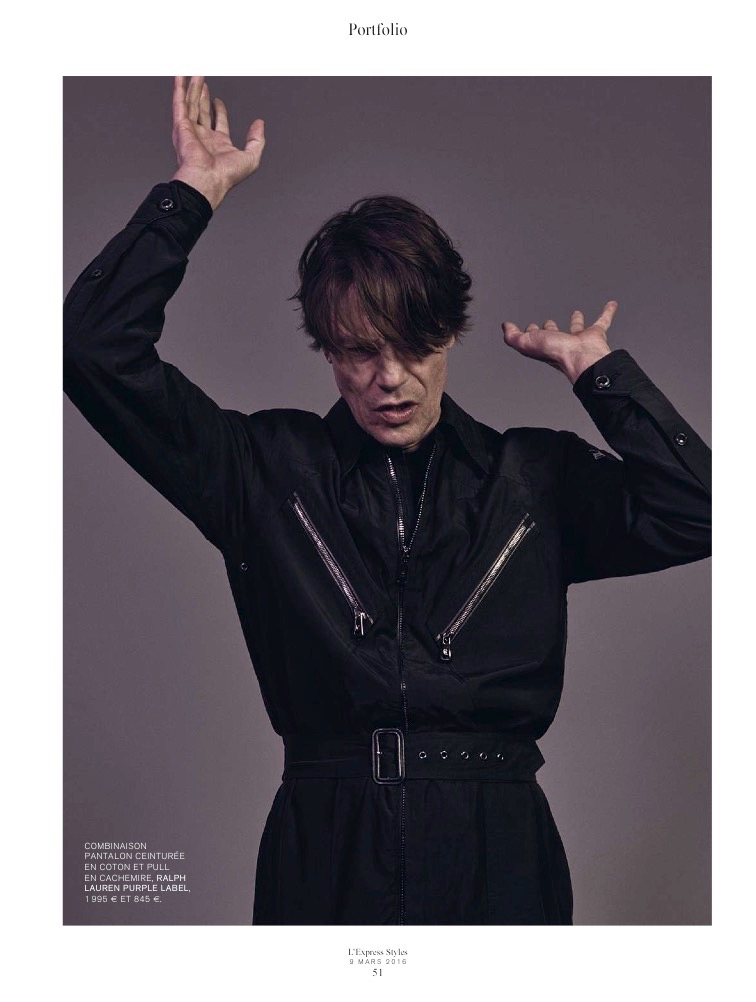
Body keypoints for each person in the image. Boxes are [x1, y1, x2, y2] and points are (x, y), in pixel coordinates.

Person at [63, 77, 711, 925]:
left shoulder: (533, 479)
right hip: (326, 850)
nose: (390, 379)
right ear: (326, 350)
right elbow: (92, 349)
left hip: (498, 852)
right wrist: (194, 192)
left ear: (451, 334)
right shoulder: (265, 472)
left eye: (415, 346)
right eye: (361, 352)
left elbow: (702, 510)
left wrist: (602, 377)